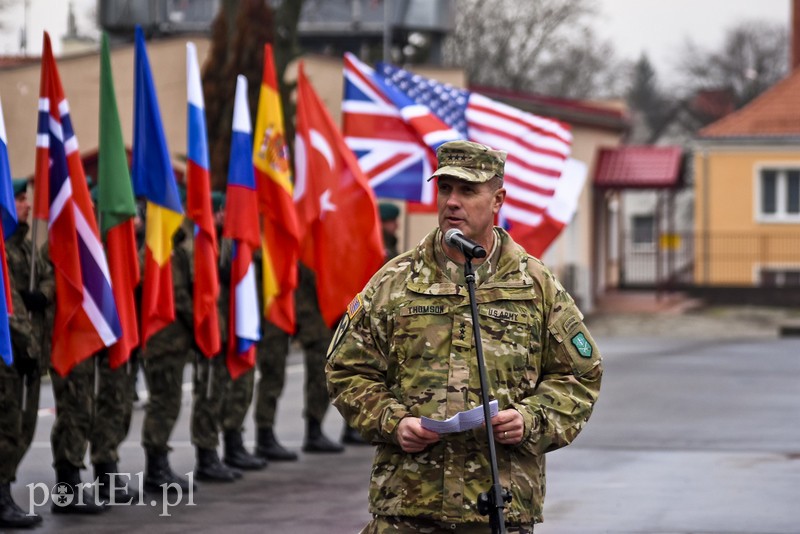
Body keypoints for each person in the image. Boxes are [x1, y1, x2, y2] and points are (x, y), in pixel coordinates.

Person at [326, 140, 603, 532]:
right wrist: (393, 421)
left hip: (497, 507)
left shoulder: (534, 286)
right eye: (445, 189)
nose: (452, 202)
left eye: (468, 190)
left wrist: (530, 418)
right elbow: (346, 370)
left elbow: (580, 376)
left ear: (497, 200)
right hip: (408, 504)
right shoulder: (395, 281)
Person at [0, 178, 53, 527]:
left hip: (28, 349)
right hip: (11, 351)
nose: (28, 205)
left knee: (24, 424)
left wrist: (44, 294)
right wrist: (26, 346)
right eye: (20, 199)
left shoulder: (26, 247)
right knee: (7, 426)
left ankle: (6, 492)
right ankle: (2, 498)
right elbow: (9, 300)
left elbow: (50, 278)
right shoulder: (5, 248)